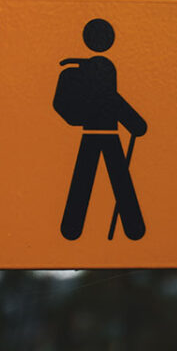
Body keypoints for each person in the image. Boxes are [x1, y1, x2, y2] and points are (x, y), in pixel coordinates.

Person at [53, 18, 147, 240]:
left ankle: (73, 230)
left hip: (94, 134)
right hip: (105, 133)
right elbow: (112, 99)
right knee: (114, 178)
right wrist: (136, 123)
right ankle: (133, 230)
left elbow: (110, 99)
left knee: (94, 178)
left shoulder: (93, 68)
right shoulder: (101, 68)